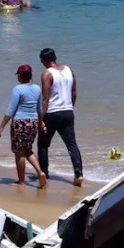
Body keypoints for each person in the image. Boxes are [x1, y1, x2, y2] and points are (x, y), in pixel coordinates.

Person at [37, 48, 83, 187]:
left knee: (43, 145)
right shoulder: (69, 70)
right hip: (68, 112)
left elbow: (45, 98)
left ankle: (44, 174)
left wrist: (40, 119)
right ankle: (79, 175)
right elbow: (74, 93)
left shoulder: (47, 74)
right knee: (72, 145)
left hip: (52, 113)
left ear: (43, 61)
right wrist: (70, 107)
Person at [0, 64, 46, 188]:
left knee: (19, 153)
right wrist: (40, 122)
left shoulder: (18, 89)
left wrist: (1, 127)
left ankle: (21, 182)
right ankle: (40, 172)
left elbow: (11, 109)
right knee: (28, 150)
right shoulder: (37, 88)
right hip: (33, 122)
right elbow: (39, 109)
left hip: (20, 123)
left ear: (19, 76)